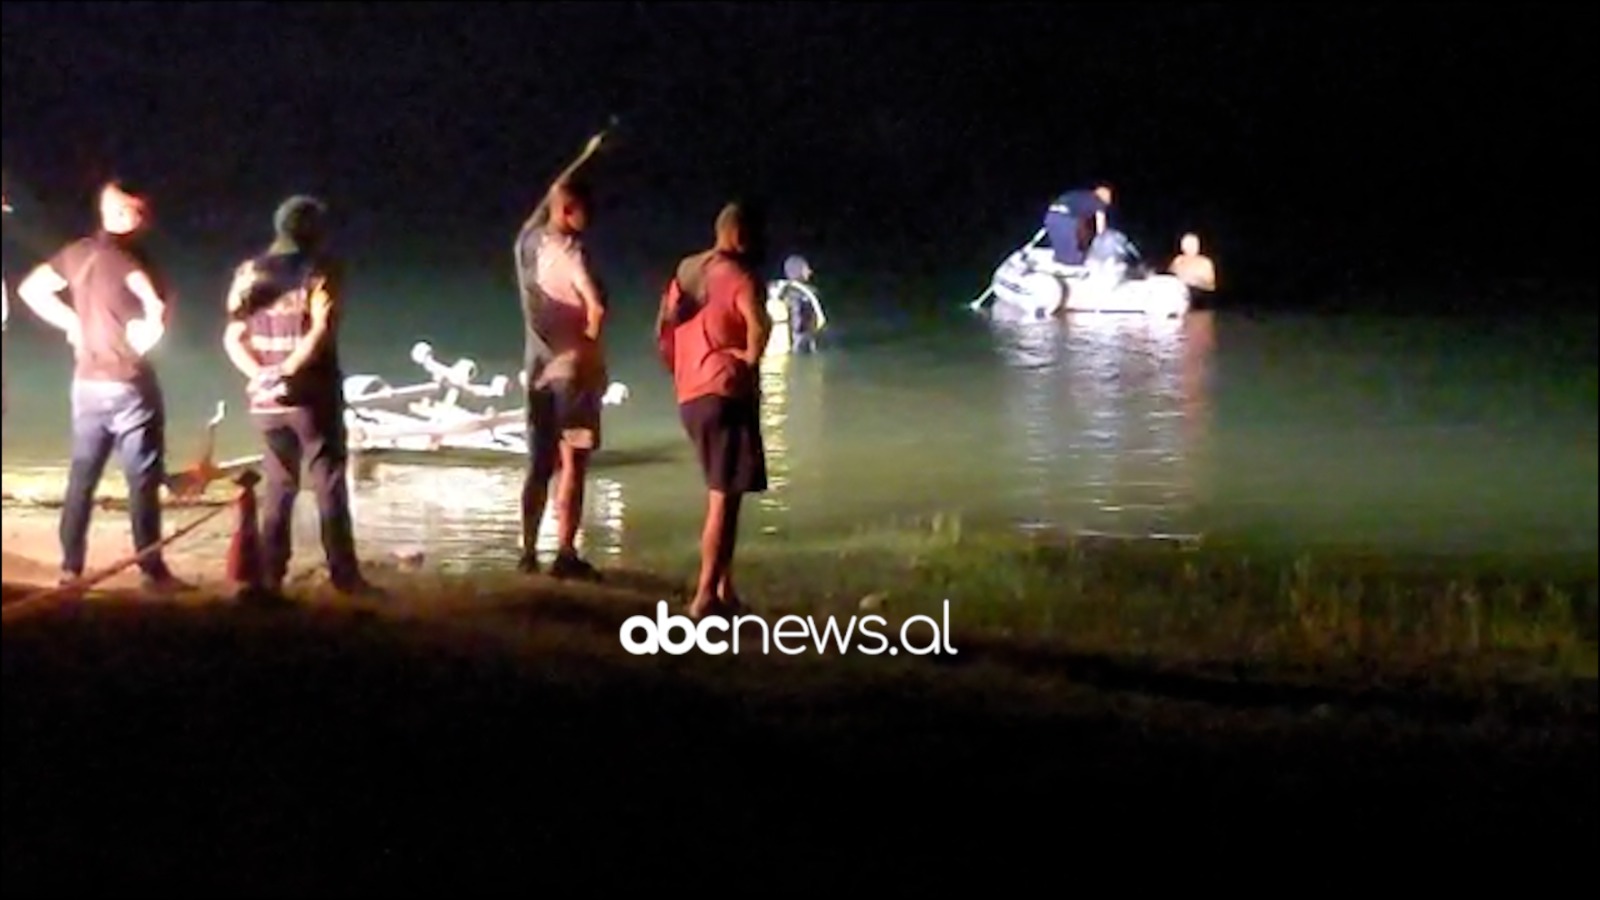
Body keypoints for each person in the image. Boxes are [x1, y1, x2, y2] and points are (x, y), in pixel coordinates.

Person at [15, 178, 187, 591]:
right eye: (141, 211)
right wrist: (147, 338)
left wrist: (71, 322)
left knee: (83, 476)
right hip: (128, 384)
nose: (148, 219)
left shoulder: (78, 254)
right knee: (142, 480)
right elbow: (156, 305)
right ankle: (151, 570)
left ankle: (71, 567)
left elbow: (30, 289)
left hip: (87, 385)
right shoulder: (133, 259)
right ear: (125, 214)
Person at [221, 195, 373, 596]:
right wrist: (287, 372)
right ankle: (344, 574)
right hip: (311, 396)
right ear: (313, 231)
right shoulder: (321, 271)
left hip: (265, 403)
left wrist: (260, 375)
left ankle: (271, 574)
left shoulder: (248, 272)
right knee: (329, 480)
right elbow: (322, 330)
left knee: (279, 484)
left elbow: (233, 336)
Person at [657, 202, 772, 618]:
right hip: (725, 391)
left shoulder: (687, 271)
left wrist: (683, 368)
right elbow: (759, 327)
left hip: (690, 394)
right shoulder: (742, 276)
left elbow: (664, 332)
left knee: (726, 490)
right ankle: (704, 597)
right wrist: (747, 357)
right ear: (741, 236)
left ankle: (725, 590)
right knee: (724, 498)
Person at [512, 173, 607, 580]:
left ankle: (528, 553)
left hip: (536, 371)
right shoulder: (571, 251)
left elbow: (540, 208)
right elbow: (596, 306)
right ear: (568, 211)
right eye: (586, 210)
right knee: (574, 462)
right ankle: (565, 553)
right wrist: (587, 351)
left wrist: (579, 163)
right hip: (571, 375)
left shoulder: (525, 245)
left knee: (538, 464)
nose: (592, 217)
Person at [769, 254, 826, 354]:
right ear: (798, 271)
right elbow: (817, 324)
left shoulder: (775, 290)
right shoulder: (808, 293)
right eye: (806, 269)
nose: (809, 272)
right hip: (799, 347)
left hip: (775, 347)